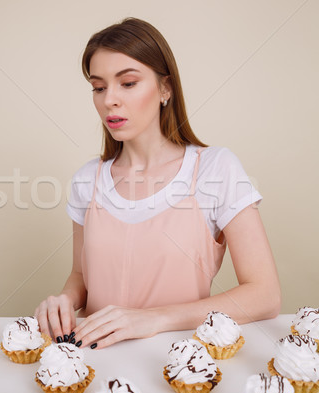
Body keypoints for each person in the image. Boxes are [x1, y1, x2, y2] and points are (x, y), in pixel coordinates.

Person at [35, 18, 281, 349]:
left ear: (165, 88)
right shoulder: (87, 179)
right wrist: (64, 300)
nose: (110, 100)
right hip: (94, 364)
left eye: (128, 83)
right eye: (99, 87)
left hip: (182, 366)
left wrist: (155, 318)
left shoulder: (214, 169)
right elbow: (82, 276)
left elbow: (264, 294)